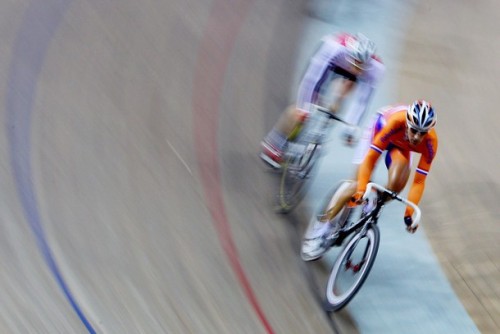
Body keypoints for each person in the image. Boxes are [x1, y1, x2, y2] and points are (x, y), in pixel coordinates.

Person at [301, 100, 439, 261]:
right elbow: (370, 159)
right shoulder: (395, 122)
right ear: (408, 123)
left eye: (422, 133)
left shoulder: (431, 143)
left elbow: (419, 182)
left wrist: (409, 215)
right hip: (379, 131)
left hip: (401, 148)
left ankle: (372, 203)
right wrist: (361, 189)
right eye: (414, 130)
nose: (416, 137)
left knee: (396, 186)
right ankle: (321, 228)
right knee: (357, 183)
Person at [260, 32, 385, 169]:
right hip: (331, 63)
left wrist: (351, 127)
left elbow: (362, 101)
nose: (357, 69)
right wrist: (304, 107)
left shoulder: (375, 69)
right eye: (356, 64)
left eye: (361, 66)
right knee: (305, 105)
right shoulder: (334, 48)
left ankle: (323, 124)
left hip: (348, 75)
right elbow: (311, 79)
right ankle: (275, 143)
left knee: (340, 97)